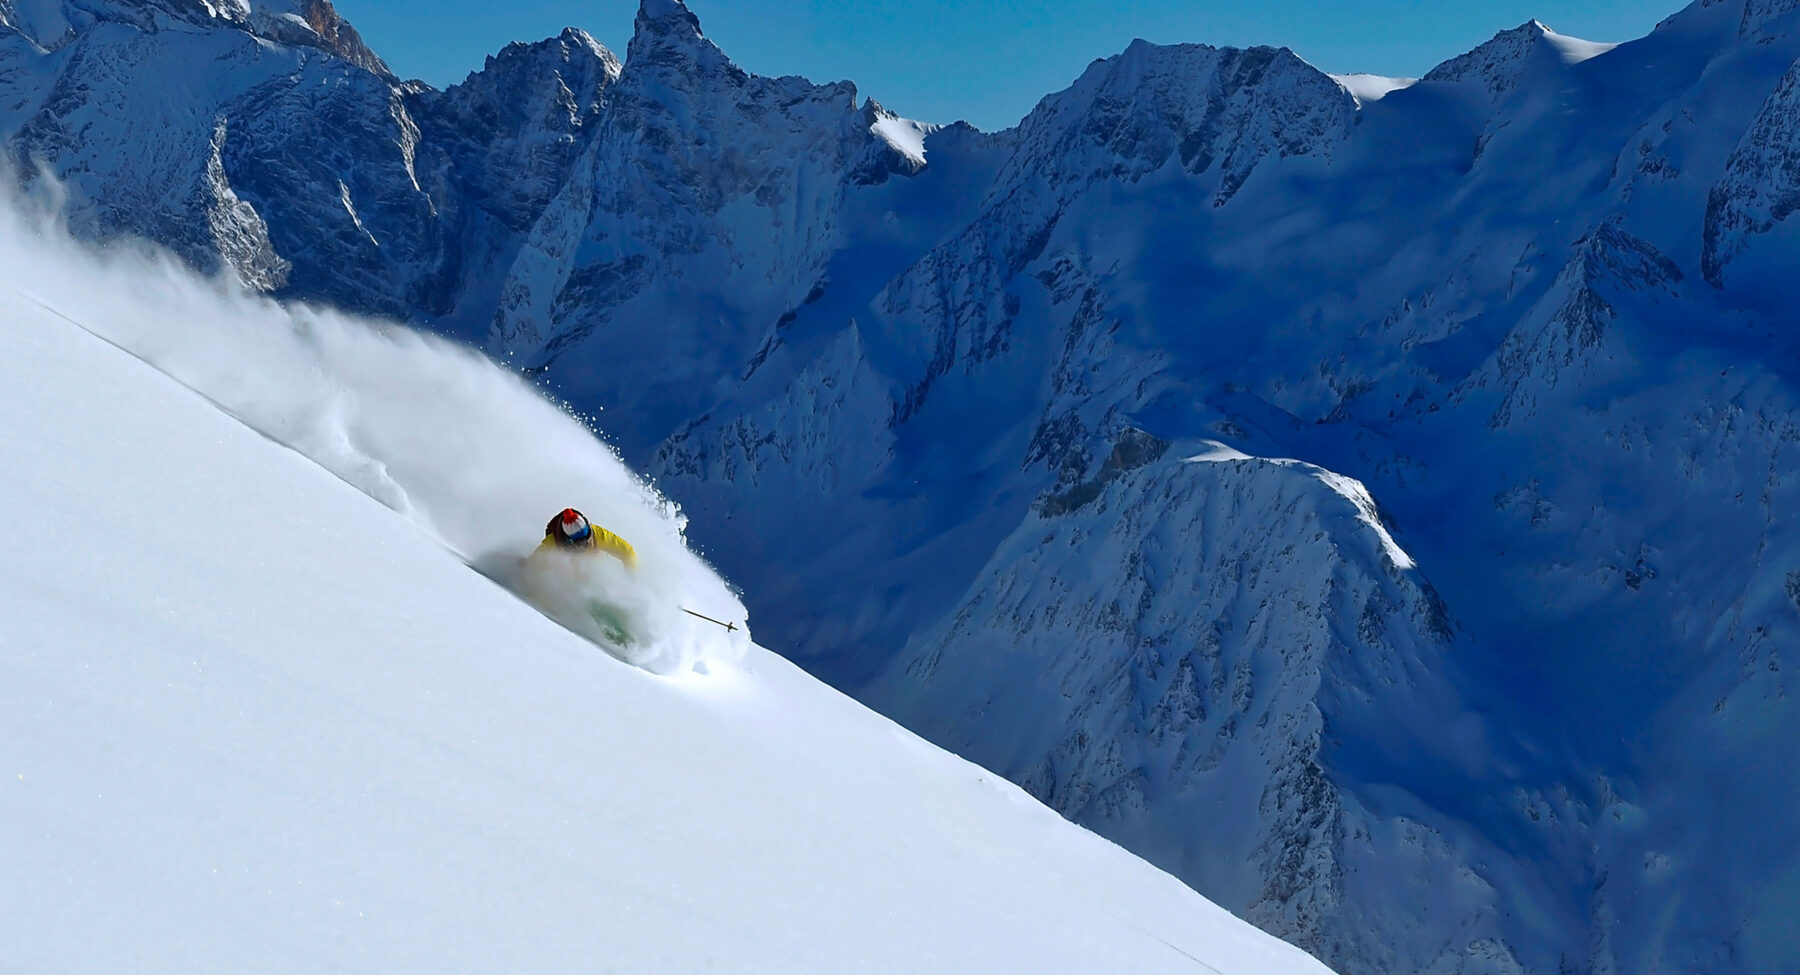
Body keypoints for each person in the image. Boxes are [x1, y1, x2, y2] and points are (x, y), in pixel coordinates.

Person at [539, 507, 637, 570]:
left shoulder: (596, 534)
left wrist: (631, 579)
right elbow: (535, 563)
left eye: (587, 537)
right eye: (581, 542)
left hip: (592, 561)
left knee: (596, 560)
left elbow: (628, 552)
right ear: (571, 541)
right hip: (566, 560)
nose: (586, 543)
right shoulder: (553, 543)